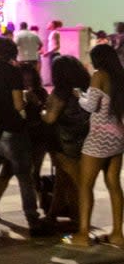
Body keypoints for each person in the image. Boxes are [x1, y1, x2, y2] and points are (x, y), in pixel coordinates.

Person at [0, 36, 50, 235]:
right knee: (24, 177)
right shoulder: (12, 72)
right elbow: (18, 104)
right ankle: (32, 220)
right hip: (12, 132)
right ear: (10, 52)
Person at [67, 44, 124, 247]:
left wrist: (78, 96)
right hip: (118, 134)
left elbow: (91, 106)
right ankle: (118, 233)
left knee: (85, 185)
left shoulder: (99, 75)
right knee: (114, 183)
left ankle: (83, 234)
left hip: (99, 135)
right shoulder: (120, 76)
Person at [42, 56, 91, 223]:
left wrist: (41, 110)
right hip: (83, 139)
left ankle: (80, 220)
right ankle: (52, 215)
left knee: (76, 182)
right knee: (63, 180)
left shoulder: (61, 91)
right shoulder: (85, 89)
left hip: (63, 142)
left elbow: (50, 118)